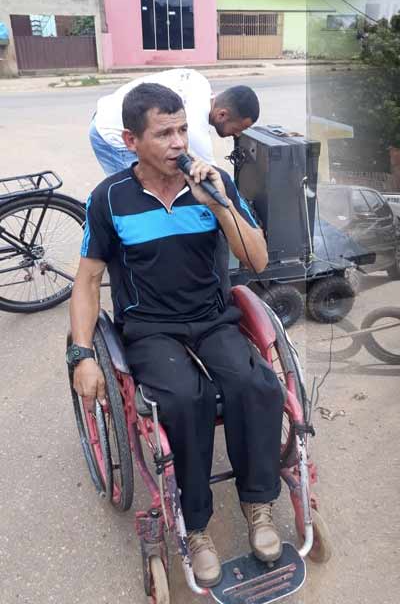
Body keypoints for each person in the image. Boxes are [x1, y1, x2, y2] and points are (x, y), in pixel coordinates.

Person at [69, 84, 279, 587]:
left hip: (211, 317)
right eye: (164, 133)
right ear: (130, 140)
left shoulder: (213, 183)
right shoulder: (110, 199)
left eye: (183, 129)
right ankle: (198, 525)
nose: (179, 143)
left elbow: (257, 261)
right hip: (150, 329)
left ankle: (258, 505)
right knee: (187, 398)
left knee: (257, 386)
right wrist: (82, 355)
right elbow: (88, 280)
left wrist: (222, 204)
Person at [89, 68, 260, 175]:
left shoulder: (200, 83)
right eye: (239, 128)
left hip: (115, 113)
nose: (238, 134)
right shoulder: (195, 122)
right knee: (136, 199)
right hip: (111, 132)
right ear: (222, 115)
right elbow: (210, 173)